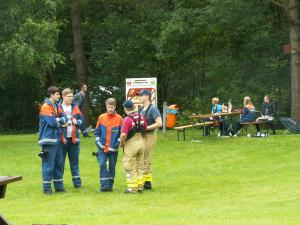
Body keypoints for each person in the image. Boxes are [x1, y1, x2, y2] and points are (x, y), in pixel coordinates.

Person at [38, 86, 67, 195]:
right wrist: (60, 121)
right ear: (51, 94)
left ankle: (59, 187)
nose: (59, 96)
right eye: (57, 94)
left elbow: (65, 117)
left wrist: (59, 119)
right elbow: (52, 123)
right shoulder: (46, 106)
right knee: (48, 165)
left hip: (58, 139)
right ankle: (47, 189)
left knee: (59, 163)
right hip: (48, 140)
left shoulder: (56, 105)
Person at [94, 98, 123, 192]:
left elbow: (121, 133)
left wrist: (118, 142)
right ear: (106, 106)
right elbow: (97, 131)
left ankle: (110, 186)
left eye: (112, 107)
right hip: (102, 147)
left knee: (112, 167)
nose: (110, 109)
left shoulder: (119, 118)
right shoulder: (101, 117)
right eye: (108, 107)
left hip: (113, 148)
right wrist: (97, 141)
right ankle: (103, 186)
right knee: (102, 164)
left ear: (115, 107)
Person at [120, 100, 147, 193]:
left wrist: (121, 143)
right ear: (133, 107)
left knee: (130, 166)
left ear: (125, 108)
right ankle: (140, 187)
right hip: (141, 143)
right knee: (140, 166)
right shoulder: (142, 117)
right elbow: (145, 129)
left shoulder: (127, 119)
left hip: (131, 145)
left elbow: (123, 135)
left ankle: (132, 188)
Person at [137, 89, 162, 190]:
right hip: (141, 136)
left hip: (150, 135)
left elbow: (159, 123)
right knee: (143, 158)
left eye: (141, 95)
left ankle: (142, 182)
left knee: (146, 157)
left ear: (147, 96)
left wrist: (147, 127)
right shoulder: (140, 109)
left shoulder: (153, 109)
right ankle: (148, 182)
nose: (139, 97)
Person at [59, 88, 84, 188]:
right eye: (69, 96)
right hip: (62, 140)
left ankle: (77, 184)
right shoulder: (58, 107)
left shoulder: (75, 107)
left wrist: (76, 122)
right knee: (60, 163)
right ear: (63, 96)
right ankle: (59, 184)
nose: (71, 98)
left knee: (74, 162)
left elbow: (82, 121)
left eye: (72, 96)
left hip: (74, 140)